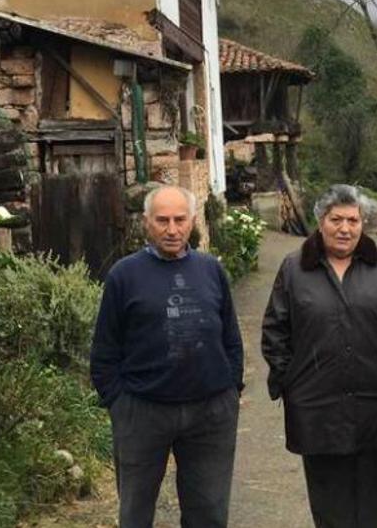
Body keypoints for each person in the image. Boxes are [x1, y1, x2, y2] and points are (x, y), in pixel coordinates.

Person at [90, 185, 244, 528]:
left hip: (210, 412)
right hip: (142, 412)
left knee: (209, 512)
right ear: (147, 223)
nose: (172, 229)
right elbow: (104, 351)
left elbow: (231, 336)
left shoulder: (211, 270)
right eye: (162, 220)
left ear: (192, 221)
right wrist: (119, 402)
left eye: (179, 219)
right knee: (136, 512)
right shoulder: (124, 275)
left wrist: (231, 388)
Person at [261, 184, 377, 528]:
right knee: (331, 507)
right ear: (320, 221)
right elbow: (275, 331)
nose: (345, 228)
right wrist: (292, 384)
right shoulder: (295, 268)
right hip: (318, 409)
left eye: (353, 220)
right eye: (336, 220)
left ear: (364, 223)